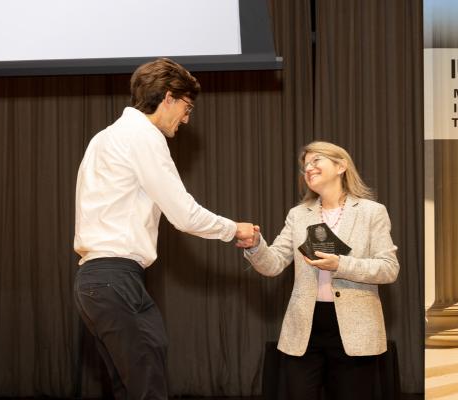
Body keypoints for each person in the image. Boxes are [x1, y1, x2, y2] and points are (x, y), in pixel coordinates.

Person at [73, 58, 256, 399]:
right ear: (168, 97)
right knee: (148, 389)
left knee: (132, 387)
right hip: (116, 279)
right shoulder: (144, 137)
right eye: (187, 107)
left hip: (95, 281)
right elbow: (184, 215)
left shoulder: (104, 137)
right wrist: (234, 229)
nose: (186, 119)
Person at [243, 141, 399, 400]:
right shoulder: (298, 215)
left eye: (316, 161)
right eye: (305, 165)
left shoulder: (372, 212)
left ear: (341, 166)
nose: (309, 168)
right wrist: (255, 245)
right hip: (304, 329)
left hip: (355, 330)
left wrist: (341, 265)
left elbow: (389, 269)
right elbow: (272, 264)